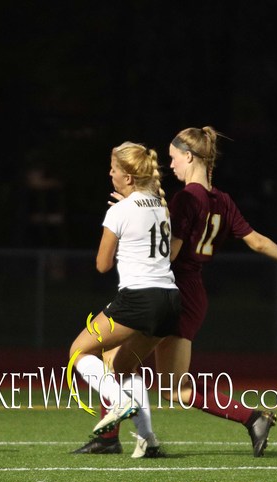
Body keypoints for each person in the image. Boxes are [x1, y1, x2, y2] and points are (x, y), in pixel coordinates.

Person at [73, 126, 277, 457]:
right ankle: (114, 437)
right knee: (135, 369)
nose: (171, 166)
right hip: (192, 293)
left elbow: (169, 253)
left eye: (174, 158)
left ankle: (245, 418)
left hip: (171, 290)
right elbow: (257, 242)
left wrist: (130, 214)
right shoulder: (222, 200)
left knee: (154, 379)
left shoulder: (186, 199)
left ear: (189, 156)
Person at [68, 141, 180, 459]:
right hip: (171, 300)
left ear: (128, 177)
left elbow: (102, 265)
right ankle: (148, 440)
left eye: (114, 169)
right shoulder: (160, 206)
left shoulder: (118, 211)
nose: (110, 173)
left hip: (139, 299)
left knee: (78, 352)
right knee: (125, 367)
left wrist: (116, 223)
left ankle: (119, 401)